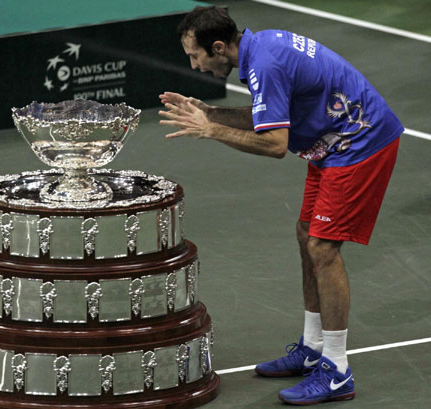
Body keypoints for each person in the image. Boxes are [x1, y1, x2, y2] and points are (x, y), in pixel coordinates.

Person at [159, 6, 403, 406]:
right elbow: (268, 117)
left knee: (324, 248)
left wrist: (211, 129)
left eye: (195, 56)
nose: (195, 65)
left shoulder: (265, 64)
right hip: (330, 143)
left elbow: (273, 145)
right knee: (307, 233)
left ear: (218, 48)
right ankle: (312, 347)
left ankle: (337, 370)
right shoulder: (261, 47)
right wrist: (210, 111)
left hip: (360, 142)